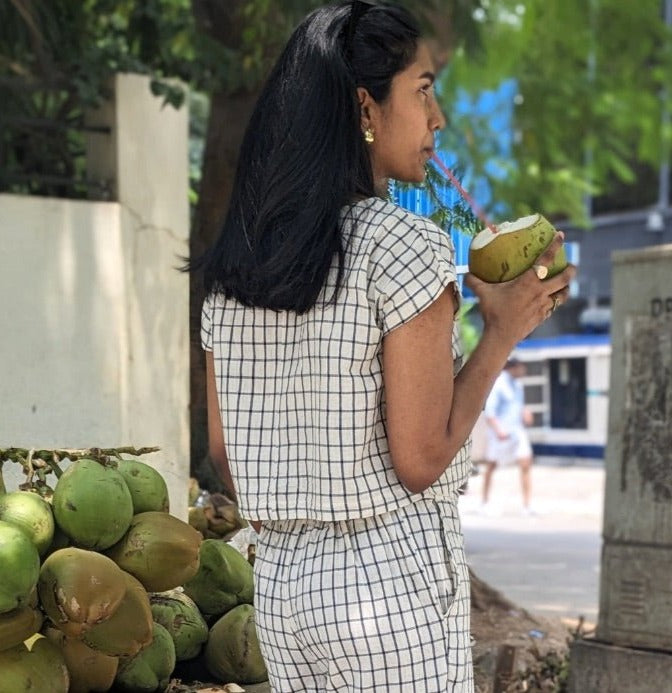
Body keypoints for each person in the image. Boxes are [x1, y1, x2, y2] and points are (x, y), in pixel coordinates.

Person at [192, 1, 575, 691]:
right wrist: (501, 333)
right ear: (364, 107)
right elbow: (422, 455)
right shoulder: (402, 243)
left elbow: (225, 453)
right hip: (386, 586)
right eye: (423, 90)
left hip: (279, 587)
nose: (438, 119)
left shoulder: (236, 265)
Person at [480, 358, 536, 515]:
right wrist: (499, 431)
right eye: (521, 367)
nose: (523, 371)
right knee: (491, 466)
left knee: (526, 463)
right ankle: (484, 501)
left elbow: (517, 405)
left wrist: (525, 412)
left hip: (517, 431)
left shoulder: (518, 385)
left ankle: (527, 504)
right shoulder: (498, 384)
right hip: (500, 433)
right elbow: (490, 412)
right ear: (513, 367)